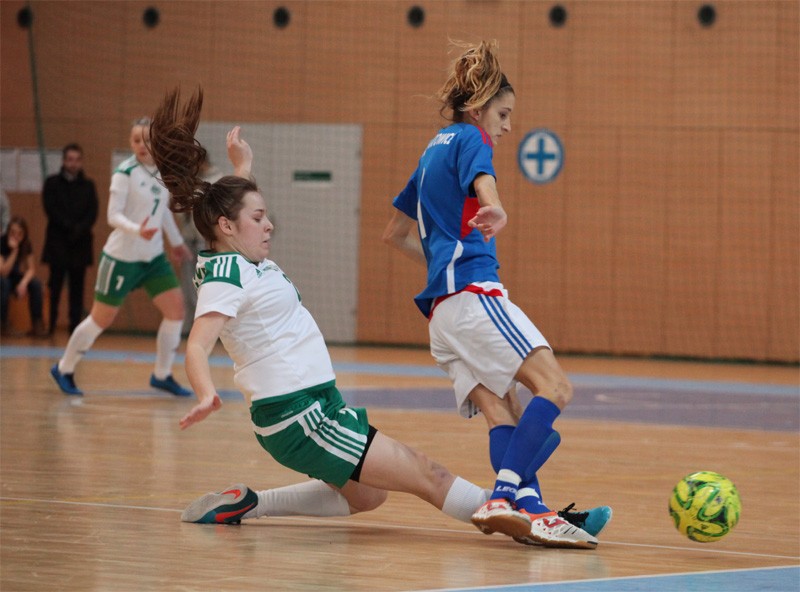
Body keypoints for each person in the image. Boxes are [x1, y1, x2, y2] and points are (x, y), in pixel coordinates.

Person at [147, 88, 541, 545]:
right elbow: (197, 344)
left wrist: (243, 166)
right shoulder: (225, 275)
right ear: (227, 227)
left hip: (316, 405)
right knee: (427, 475)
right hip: (298, 415)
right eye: (259, 217)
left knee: (368, 495)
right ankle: (522, 515)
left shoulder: (234, 251)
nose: (269, 224)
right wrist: (204, 393)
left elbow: (232, 206)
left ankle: (249, 502)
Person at [382, 41, 609, 548]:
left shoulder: (430, 150)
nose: (506, 127)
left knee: (503, 412)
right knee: (556, 387)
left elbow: (394, 234)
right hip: (473, 296)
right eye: (503, 115)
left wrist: (442, 263)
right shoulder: (471, 137)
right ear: (478, 108)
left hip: (441, 315)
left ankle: (533, 512)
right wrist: (496, 206)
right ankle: (503, 496)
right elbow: (483, 177)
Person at [50, 118, 193, 397]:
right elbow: (112, 216)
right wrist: (137, 230)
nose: (142, 145)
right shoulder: (124, 172)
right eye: (136, 140)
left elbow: (163, 211)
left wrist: (176, 243)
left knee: (176, 311)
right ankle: (64, 368)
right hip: (121, 258)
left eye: (147, 140)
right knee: (101, 319)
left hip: (153, 259)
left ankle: (161, 375)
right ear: (131, 143)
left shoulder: (163, 173)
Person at [41, 143, 99, 334]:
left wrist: (79, 228)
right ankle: (49, 325)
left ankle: (75, 327)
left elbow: (93, 212)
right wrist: (67, 226)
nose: (73, 164)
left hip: (80, 243)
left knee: (77, 288)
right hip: (58, 242)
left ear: (81, 162)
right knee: (55, 286)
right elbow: (50, 208)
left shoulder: (88, 186)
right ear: (64, 161)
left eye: (77, 160)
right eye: (70, 159)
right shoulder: (52, 183)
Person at [177, 155, 221, 335]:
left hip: (206, 240)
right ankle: (188, 327)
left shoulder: (217, 180)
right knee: (188, 284)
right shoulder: (188, 182)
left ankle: (208, 328)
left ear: (202, 162)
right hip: (188, 238)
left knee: (206, 284)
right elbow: (178, 208)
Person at [1, 216, 48, 337]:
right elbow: (3, 271)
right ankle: (3, 323)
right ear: (8, 232)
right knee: (4, 283)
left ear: (24, 235)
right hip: (2, 276)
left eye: (19, 234)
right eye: (13, 233)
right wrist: (14, 251)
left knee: (36, 284)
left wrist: (23, 283)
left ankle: (37, 324)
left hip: (14, 276)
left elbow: (31, 269)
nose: (16, 237)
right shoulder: (2, 242)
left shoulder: (26, 244)